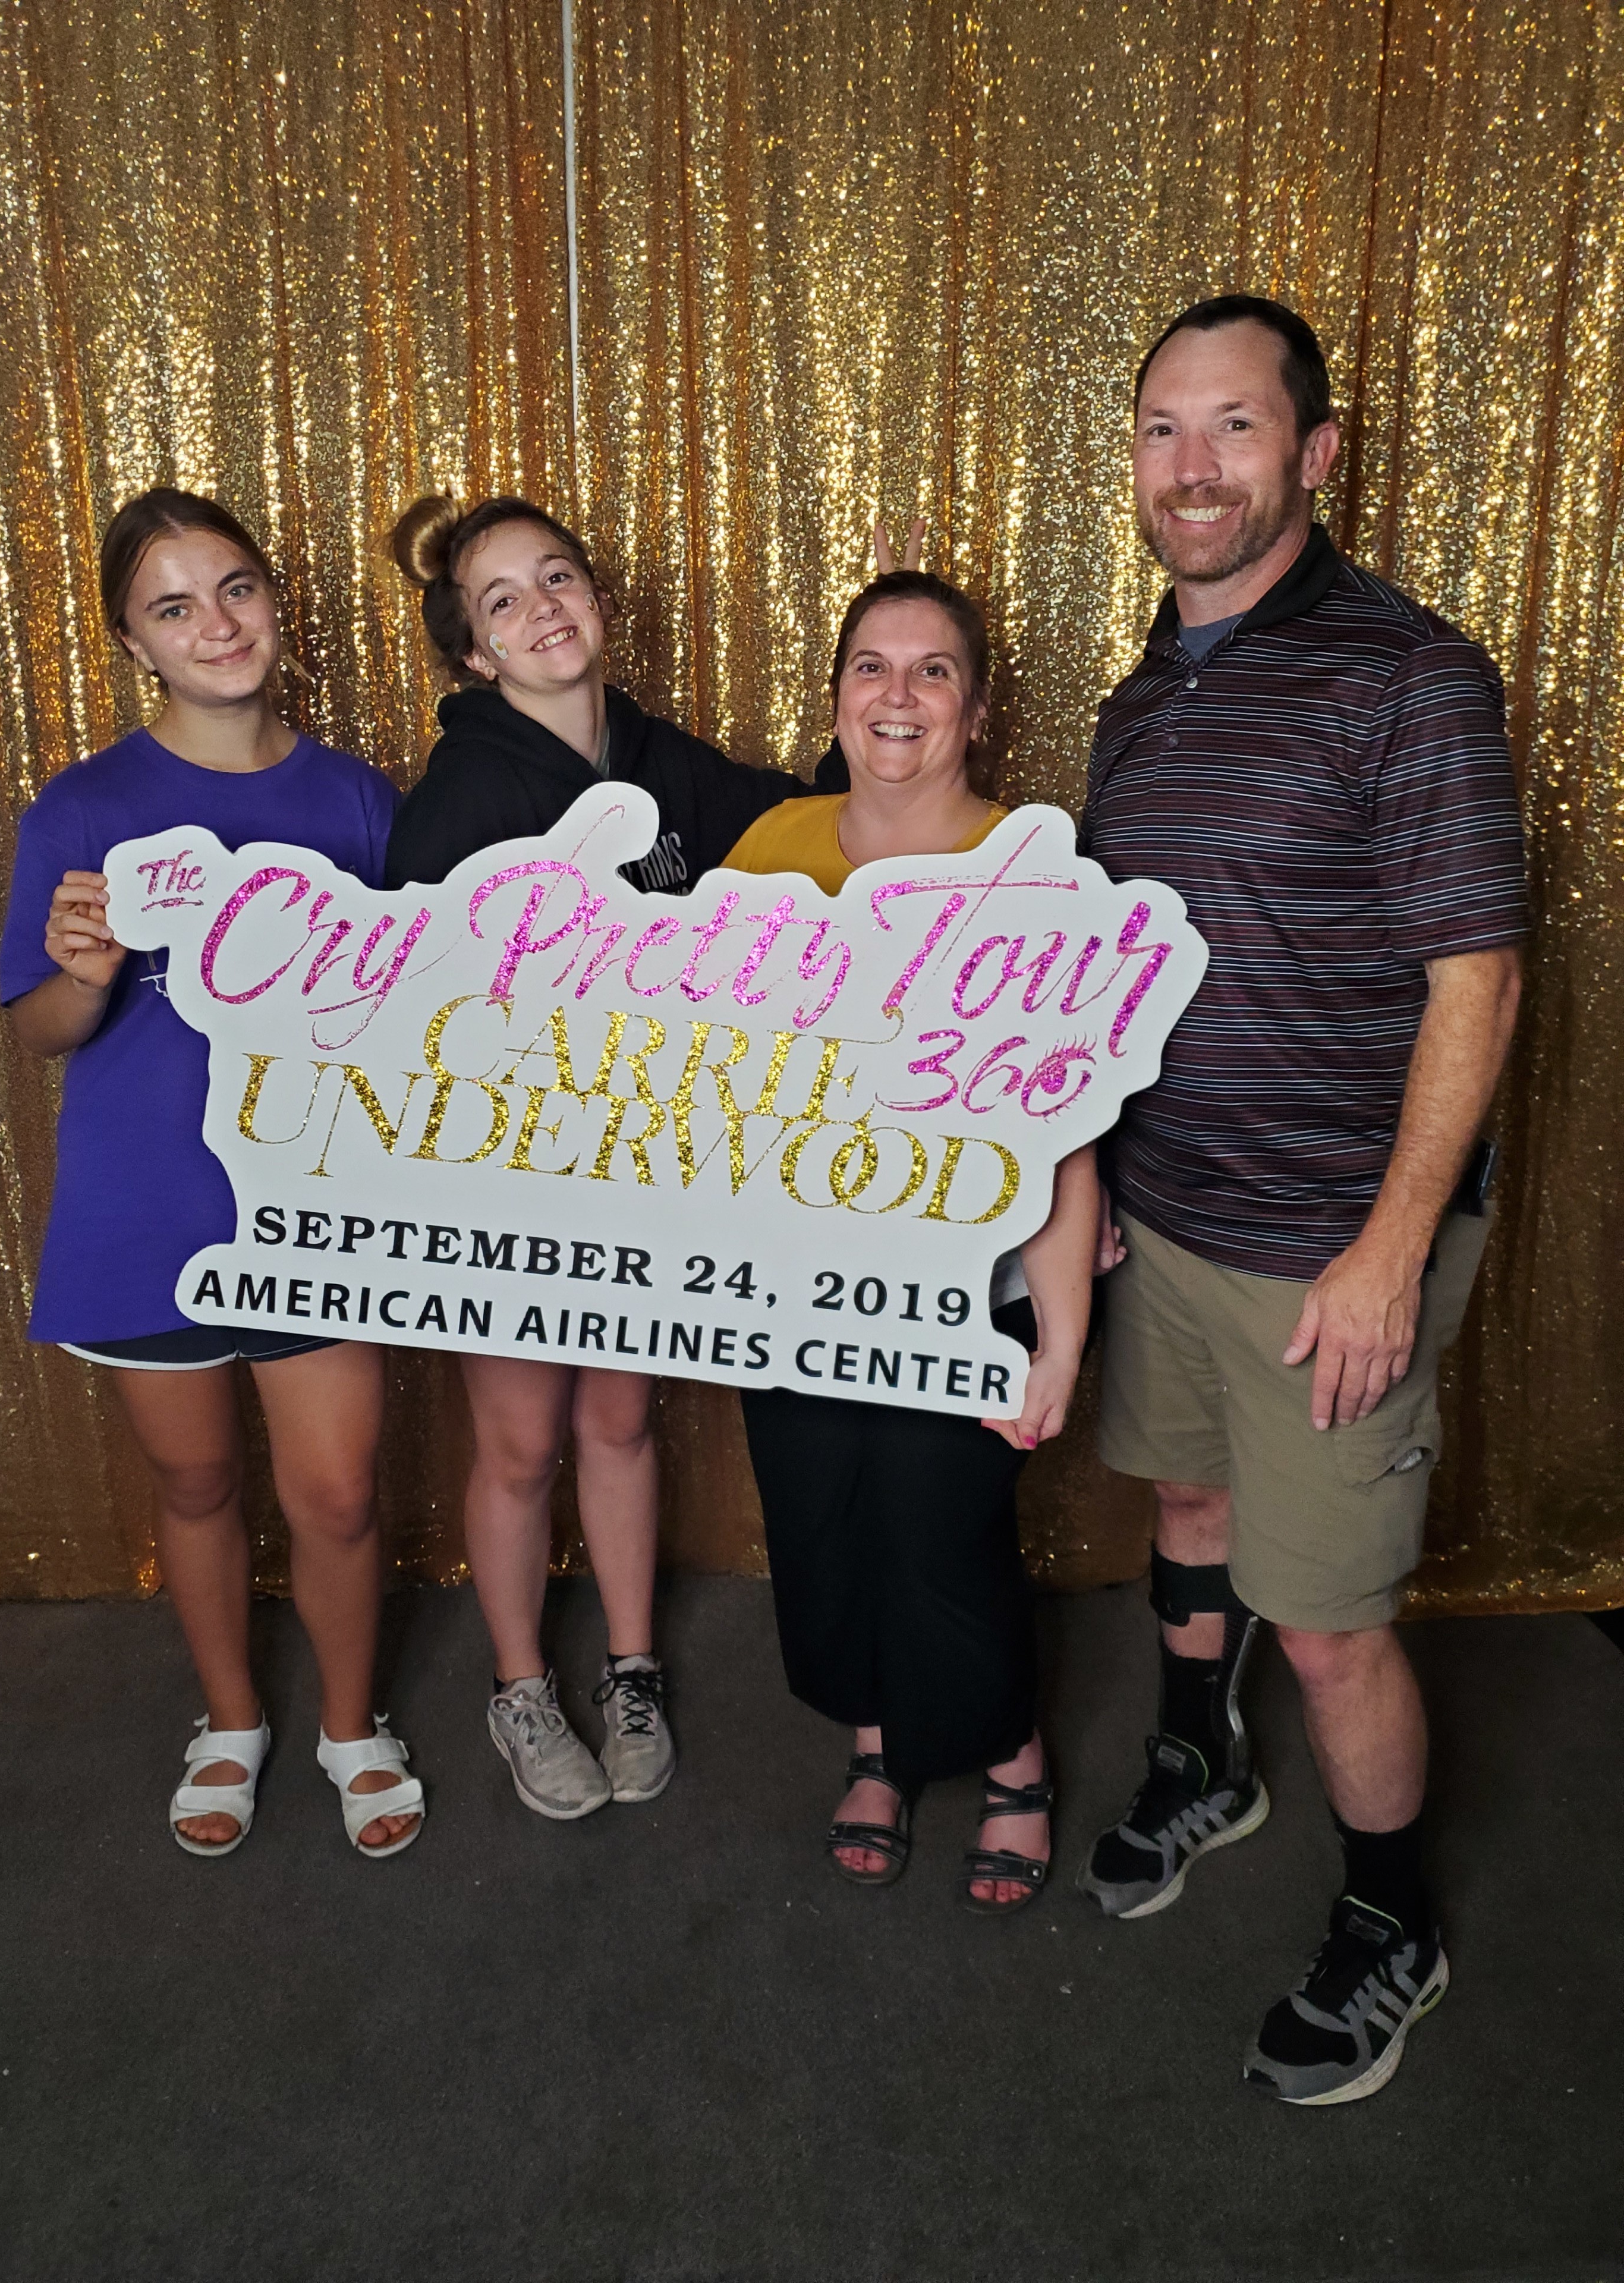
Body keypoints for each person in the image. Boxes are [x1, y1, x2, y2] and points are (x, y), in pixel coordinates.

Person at [1077, 296, 1527, 2101]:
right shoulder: (1140, 697)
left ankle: (1393, 1919)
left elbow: (1479, 978)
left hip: (1334, 1251)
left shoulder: (1411, 674)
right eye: (1163, 430)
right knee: (1188, 1501)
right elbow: (1113, 981)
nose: (1193, 467)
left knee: (1331, 1622)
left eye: (1236, 426)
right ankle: (1204, 1756)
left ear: (1317, 452)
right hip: (1170, 1220)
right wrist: (1098, 1184)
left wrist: (1390, 1255)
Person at [383, 493, 870, 1820]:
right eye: (504, 599)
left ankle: (634, 1667)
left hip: (639, 1177)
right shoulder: (462, 796)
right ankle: (520, 1686)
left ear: (596, 599)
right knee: (520, 1441)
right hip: (507, 1186)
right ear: (475, 652)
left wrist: (883, 728)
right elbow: (406, 1012)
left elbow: (798, 822)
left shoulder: (657, 758)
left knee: (617, 1419)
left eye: (558, 576)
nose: (543, 607)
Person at [0, 489, 424, 1862]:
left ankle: (351, 1724)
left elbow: (417, 1013)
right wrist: (83, 974)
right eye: (174, 607)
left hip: (316, 1204)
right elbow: (37, 1029)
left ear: (274, 600)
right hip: (146, 1203)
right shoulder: (84, 805)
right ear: (135, 642)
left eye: (235, 588)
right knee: (193, 1486)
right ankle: (231, 1718)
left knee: (338, 1491)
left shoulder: (358, 797)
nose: (217, 624)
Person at [725, 561, 1100, 1913]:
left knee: (945, 1528)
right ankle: (878, 1744)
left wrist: (1062, 1340)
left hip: (966, 1288)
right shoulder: (768, 848)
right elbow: (697, 1082)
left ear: (976, 711)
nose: (899, 695)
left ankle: (1011, 1754)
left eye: (933, 670)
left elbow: (1066, 1131)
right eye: (871, 667)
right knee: (822, 1519)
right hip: (789, 1285)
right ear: (835, 697)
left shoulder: (1037, 867)